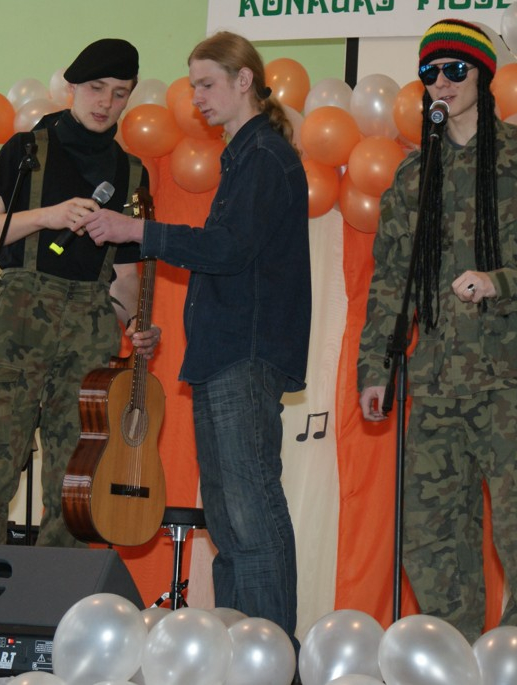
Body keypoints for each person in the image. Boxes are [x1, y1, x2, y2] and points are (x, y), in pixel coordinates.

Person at [356, 19, 517, 673]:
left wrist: (501, 282)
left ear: (482, 76)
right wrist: (376, 367)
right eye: (430, 72)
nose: (442, 82)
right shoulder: (413, 176)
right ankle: (451, 666)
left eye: (455, 70)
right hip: (434, 379)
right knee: (431, 535)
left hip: (515, 376)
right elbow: (391, 281)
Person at [77, 31, 311, 643]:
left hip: (244, 354)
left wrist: (139, 231)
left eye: (207, 84)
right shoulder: (244, 156)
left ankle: (269, 652)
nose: (196, 97)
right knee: (230, 523)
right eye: (192, 85)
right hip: (223, 355)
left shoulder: (264, 156)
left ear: (244, 81)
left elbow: (229, 250)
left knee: (250, 515)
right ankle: (241, 647)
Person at [0, 38, 160, 547]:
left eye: (119, 93)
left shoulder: (132, 173)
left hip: (90, 328)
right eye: (96, 88)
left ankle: (56, 596)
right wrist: (48, 216)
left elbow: (124, 277)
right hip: (19, 320)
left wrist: (137, 325)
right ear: (72, 87)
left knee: (77, 482)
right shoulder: (26, 151)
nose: (106, 102)